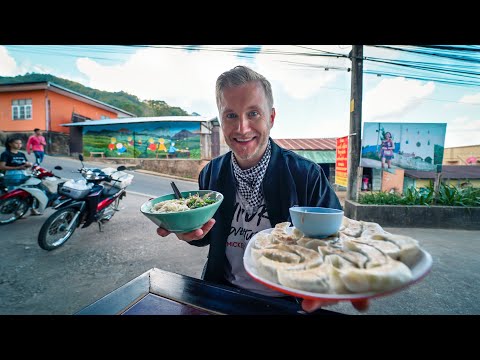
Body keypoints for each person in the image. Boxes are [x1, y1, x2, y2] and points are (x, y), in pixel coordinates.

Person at [156, 65, 368, 313]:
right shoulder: (210, 174)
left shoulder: (307, 175)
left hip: (286, 303)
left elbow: (335, 240)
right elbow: (208, 238)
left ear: (271, 118)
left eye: (253, 113)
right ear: (221, 120)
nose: (242, 128)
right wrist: (189, 230)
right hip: (221, 294)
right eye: (231, 115)